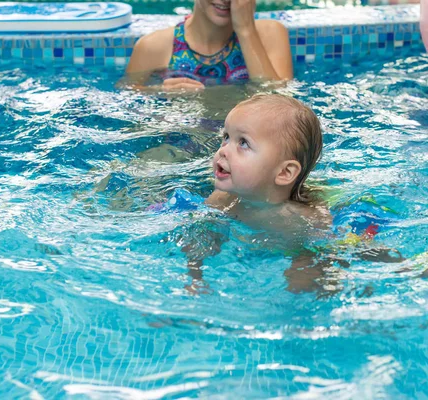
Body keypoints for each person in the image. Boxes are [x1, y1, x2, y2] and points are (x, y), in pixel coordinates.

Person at [154, 93, 403, 295]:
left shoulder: (299, 220)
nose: (223, 151)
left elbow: (330, 249)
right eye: (226, 137)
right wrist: (195, 276)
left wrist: (308, 269)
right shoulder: (223, 199)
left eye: (243, 143)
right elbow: (203, 241)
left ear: (284, 173)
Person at [125, 0, 293, 91]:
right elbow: (128, 95)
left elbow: (279, 101)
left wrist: (246, 30)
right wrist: (160, 91)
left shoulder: (270, 34)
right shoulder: (154, 46)